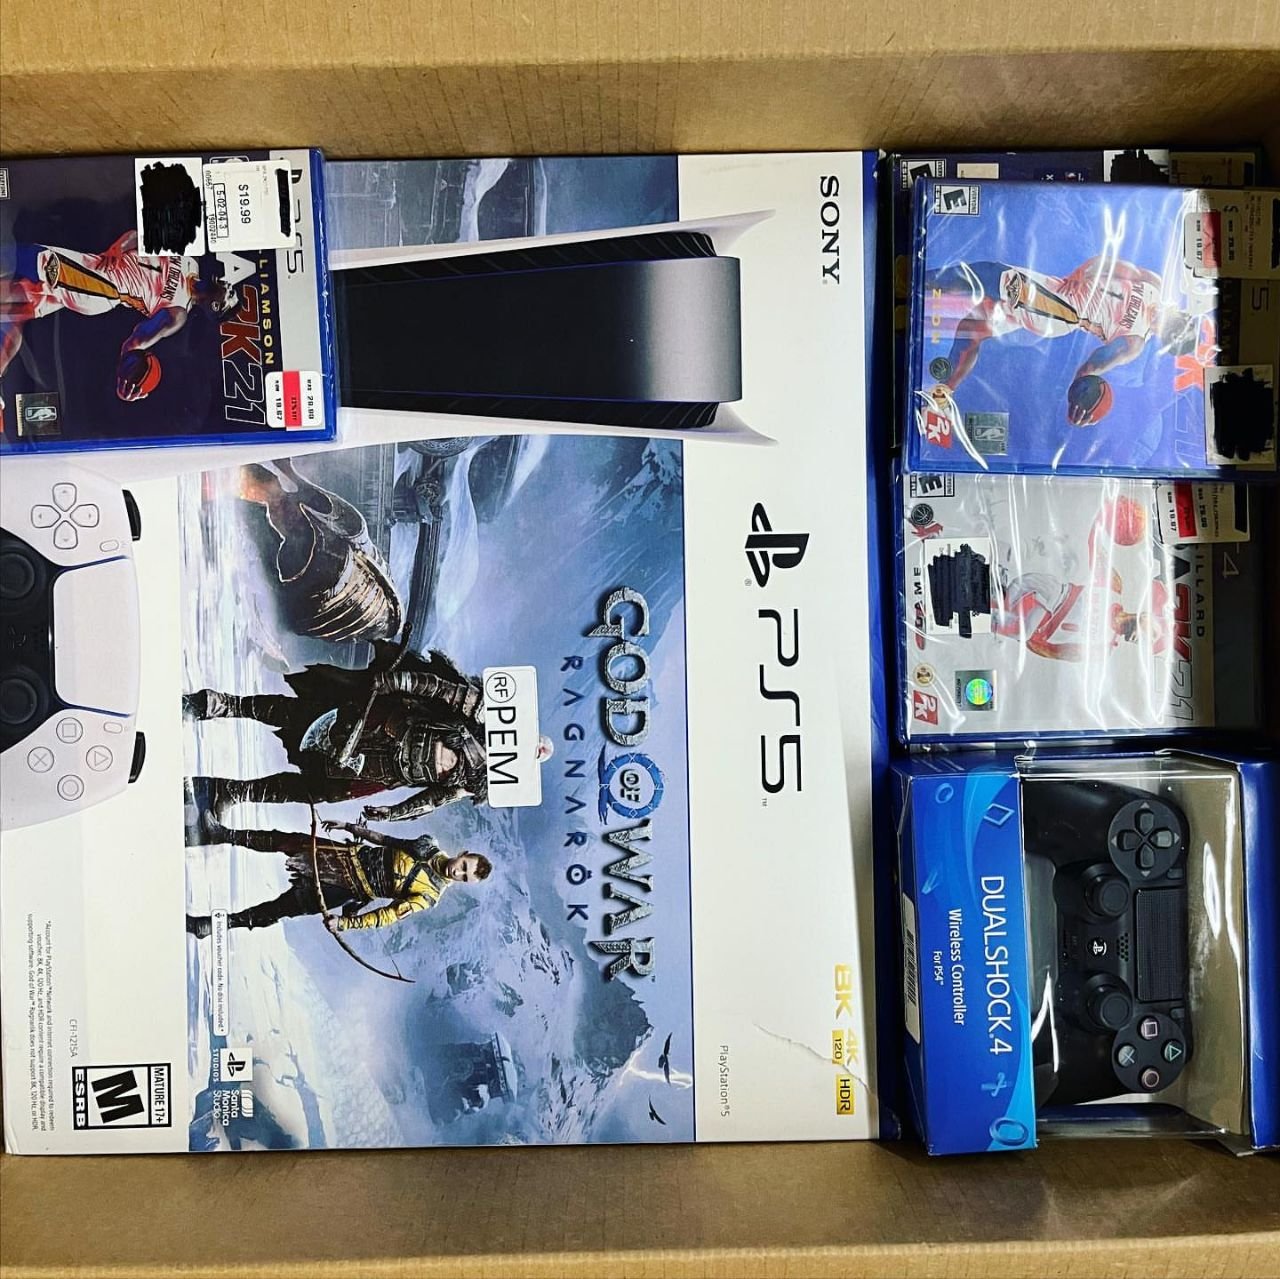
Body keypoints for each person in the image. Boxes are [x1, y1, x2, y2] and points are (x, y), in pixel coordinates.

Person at [187, 645, 493, 824]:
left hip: (382, 771)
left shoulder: (479, 785)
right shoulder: (479, 712)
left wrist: (393, 813)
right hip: (384, 725)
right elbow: (437, 688)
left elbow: (434, 799)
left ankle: (234, 792)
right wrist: (394, 682)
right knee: (303, 716)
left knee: (321, 790)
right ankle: (219, 704)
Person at [924, 255, 1206, 425]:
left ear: (1163, 338)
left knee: (985, 274)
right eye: (1177, 323)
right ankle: (942, 394)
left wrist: (1081, 399)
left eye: (1170, 332)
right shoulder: (1153, 284)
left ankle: (913, 280)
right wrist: (1082, 272)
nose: (1168, 324)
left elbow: (1092, 367)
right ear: (1181, 314)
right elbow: (1109, 263)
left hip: (1059, 311)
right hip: (1057, 288)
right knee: (972, 330)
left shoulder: (1134, 343)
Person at [0, 230, 239, 407]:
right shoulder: (190, 260)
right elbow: (140, 236)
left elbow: (135, 343)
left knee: (29, 258)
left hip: (104, 289)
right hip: (97, 265)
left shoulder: (178, 314)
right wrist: (118, 247)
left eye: (230, 295)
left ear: (215, 307)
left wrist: (125, 381)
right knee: (15, 310)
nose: (230, 286)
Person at [185, 817, 491, 936]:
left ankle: (212, 925)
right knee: (286, 840)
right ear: (463, 853)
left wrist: (346, 923)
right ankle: (222, 834)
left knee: (282, 908)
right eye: (464, 865)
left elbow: (387, 915)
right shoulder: (428, 844)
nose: (458, 872)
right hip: (347, 855)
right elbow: (387, 841)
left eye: (464, 877)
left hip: (347, 889)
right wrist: (352, 828)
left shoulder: (429, 896)